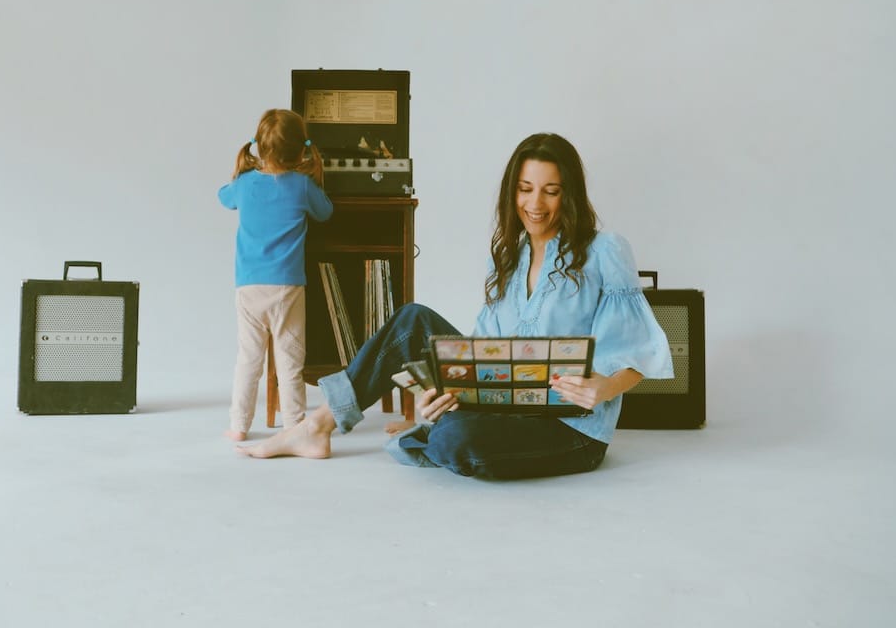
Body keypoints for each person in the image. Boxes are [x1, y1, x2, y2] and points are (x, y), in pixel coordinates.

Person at [237, 132, 673, 479]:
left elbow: (638, 349)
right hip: (503, 406)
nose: (535, 204)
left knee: (454, 440)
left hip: (570, 428)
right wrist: (445, 393)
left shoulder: (605, 250)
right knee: (412, 320)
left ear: (569, 194)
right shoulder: (509, 256)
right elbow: (483, 355)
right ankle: (318, 426)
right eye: (525, 189)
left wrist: (604, 388)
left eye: (551, 191)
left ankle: (439, 431)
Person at [218, 109, 334, 441]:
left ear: (259, 146)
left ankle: (239, 426)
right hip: (287, 286)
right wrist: (315, 173)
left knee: (248, 360)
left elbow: (223, 197)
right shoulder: (302, 186)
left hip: (249, 286)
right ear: (301, 150)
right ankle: (294, 425)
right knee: (290, 361)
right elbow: (326, 212)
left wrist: (241, 171)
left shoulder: (243, 185)